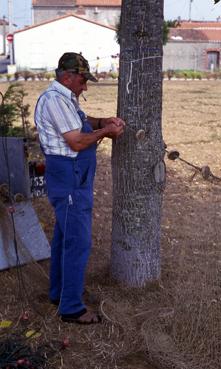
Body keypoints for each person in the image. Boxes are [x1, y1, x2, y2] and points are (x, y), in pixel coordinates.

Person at [34, 52, 125, 324]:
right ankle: (71, 307)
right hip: (68, 176)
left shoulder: (66, 98)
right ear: (67, 77)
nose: (85, 86)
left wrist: (103, 121)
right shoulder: (54, 100)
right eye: (83, 80)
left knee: (65, 236)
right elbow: (76, 141)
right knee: (79, 241)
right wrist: (106, 133)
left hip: (74, 176)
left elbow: (83, 122)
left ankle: (59, 293)